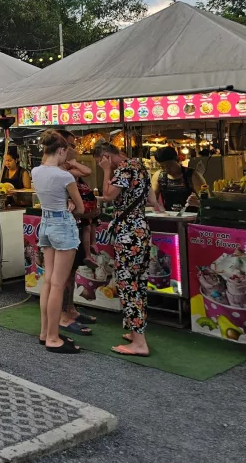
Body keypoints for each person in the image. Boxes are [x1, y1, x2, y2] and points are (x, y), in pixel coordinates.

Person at [94, 139, 164, 357]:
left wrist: (106, 171)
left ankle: (140, 343)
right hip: (141, 229)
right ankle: (136, 332)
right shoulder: (139, 165)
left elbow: (108, 195)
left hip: (128, 233)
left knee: (127, 284)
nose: (102, 165)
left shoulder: (123, 169)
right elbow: (152, 199)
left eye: (100, 161)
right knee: (138, 283)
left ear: (105, 155)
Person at [31, 130, 86, 354]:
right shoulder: (65, 176)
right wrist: (71, 207)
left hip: (45, 224)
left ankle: (46, 332)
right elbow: (81, 208)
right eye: (66, 152)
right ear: (61, 150)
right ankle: (54, 337)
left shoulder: (35, 171)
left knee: (48, 281)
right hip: (63, 225)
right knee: (58, 285)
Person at [55, 130, 98, 336]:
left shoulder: (69, 169)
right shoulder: (59, 172)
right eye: (70, 145)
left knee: (72, 273)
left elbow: (86, 172)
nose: (74, 149)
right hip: (68, 225)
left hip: (78, 224)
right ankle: (62, 315)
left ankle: (70, 309)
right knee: (64, 273)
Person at [152, 146, 206, 211]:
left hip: (192, 218)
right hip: (170, 217)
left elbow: (207, 202)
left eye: (169, 165)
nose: (167, 170)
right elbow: (152, 200)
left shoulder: (194, 176)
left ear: (177, 160)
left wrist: (197, 203)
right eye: (162, 167)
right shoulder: (158, 176)